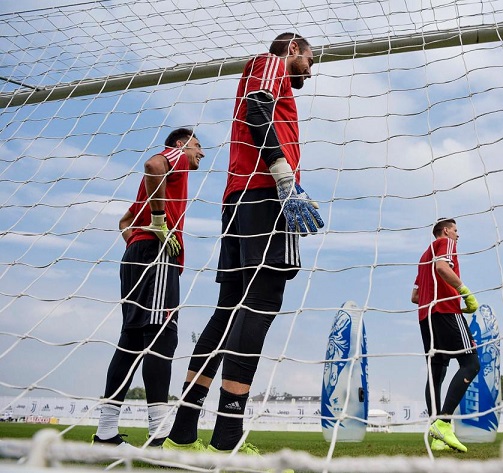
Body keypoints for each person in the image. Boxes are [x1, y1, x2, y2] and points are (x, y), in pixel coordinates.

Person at [163, 32, 323, 455]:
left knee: (227, 311)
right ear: (292, 50)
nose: (312, 66)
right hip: (265, 194)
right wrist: (282, 173)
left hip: (238, 198)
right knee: (261, 305)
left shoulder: (262, 74)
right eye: (310, 57)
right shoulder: (271, 65)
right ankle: (227, 438)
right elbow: (256, 110)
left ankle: (182, 434)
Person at [92, 128, 204, 448]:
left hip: (137, 256)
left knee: (131, 339)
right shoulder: (176, 157)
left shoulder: (159, 185)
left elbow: (124, 221)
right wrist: (158, 223)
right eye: (198, 145)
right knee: (161, 336)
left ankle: (106, 434)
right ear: (182, 144)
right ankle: (158, 437)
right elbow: (154, 166)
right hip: (156, 258)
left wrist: (137, 240)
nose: (201, 153)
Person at [411, 218, 480, 453]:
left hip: (425, 317)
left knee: (436, 375)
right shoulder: (445, 244)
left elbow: (414, 296)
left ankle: (436, 436)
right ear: (445, 231)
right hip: (445, 312)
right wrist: (465, 292)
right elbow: (442, 268)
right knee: (471, 364)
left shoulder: (422, 258)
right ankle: (444, 422)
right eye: (456, 230)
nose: (458, 235)